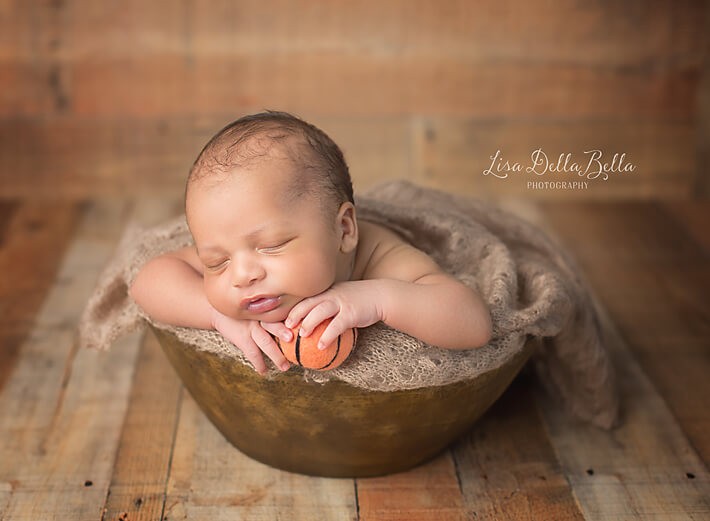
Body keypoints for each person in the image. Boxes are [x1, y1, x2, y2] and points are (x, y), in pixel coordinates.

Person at [129, 111, 492, 375]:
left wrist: (379, 298)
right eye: (216, 263)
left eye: (271, 245)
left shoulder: (380, 255)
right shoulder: (233, 246)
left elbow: (473, 322)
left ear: (345, 230)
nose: (241, 275)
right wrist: (216, 314)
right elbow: (147, 282)